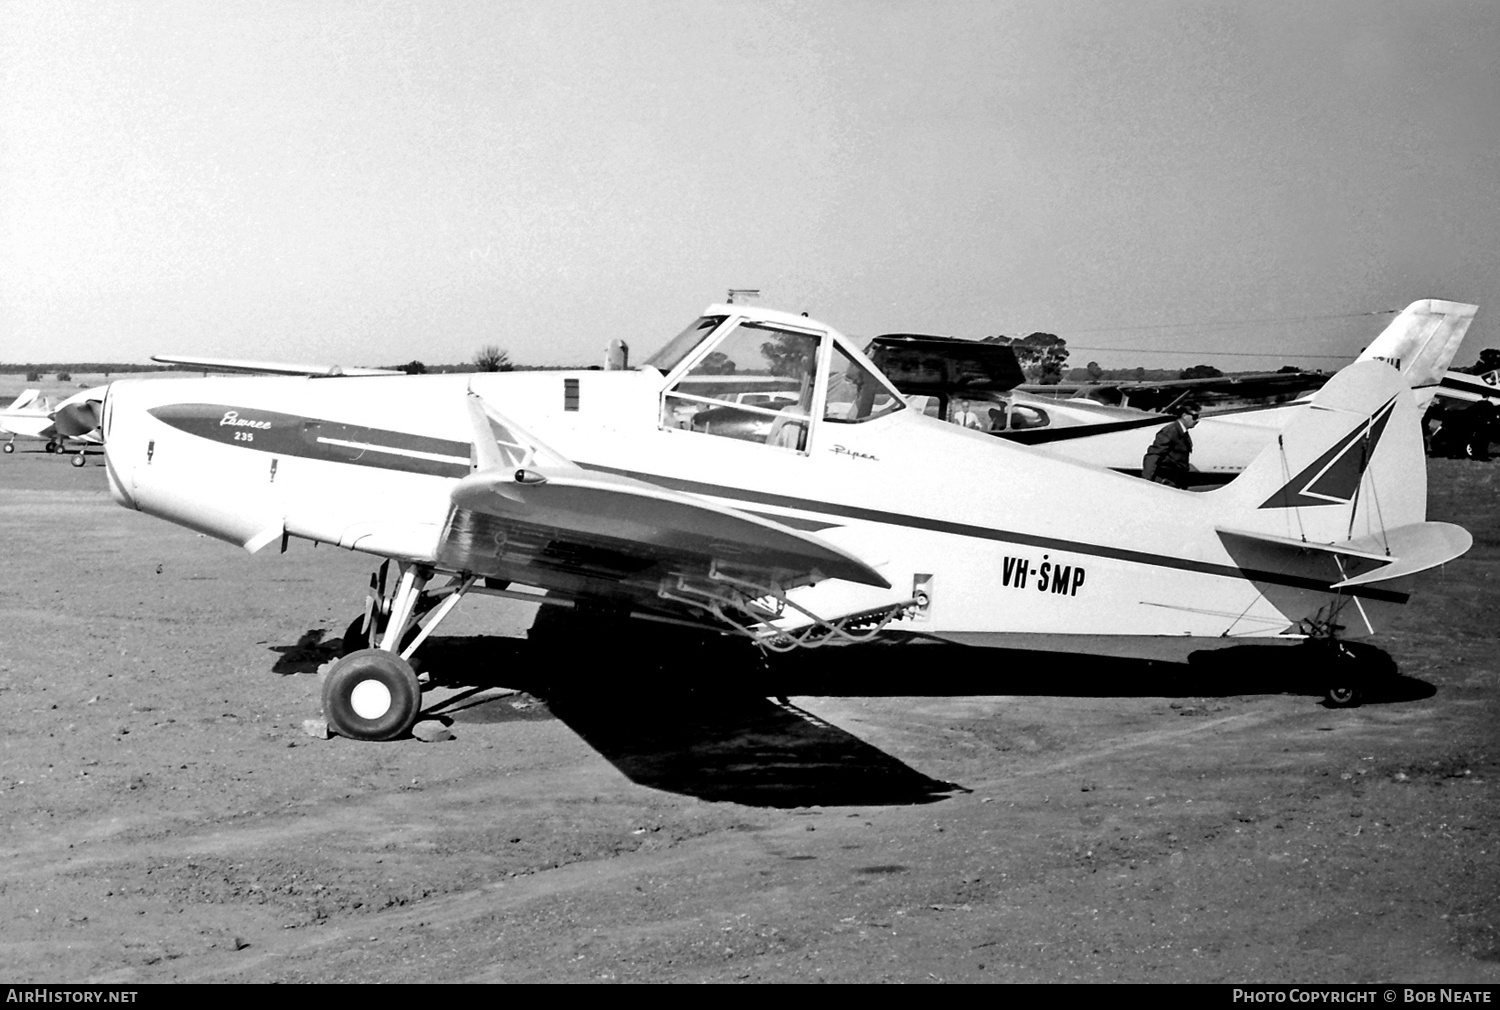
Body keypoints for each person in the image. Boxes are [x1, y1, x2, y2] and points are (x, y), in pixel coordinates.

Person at [1141, 403, 1200, 488]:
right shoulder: (1170, 431)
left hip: (1175, 481)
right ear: (1184, 415)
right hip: (1166, 481)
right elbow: (1153, 454)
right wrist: (1146, 481)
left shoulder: (1183, 433)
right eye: (1195, 417)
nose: (1197, 420)